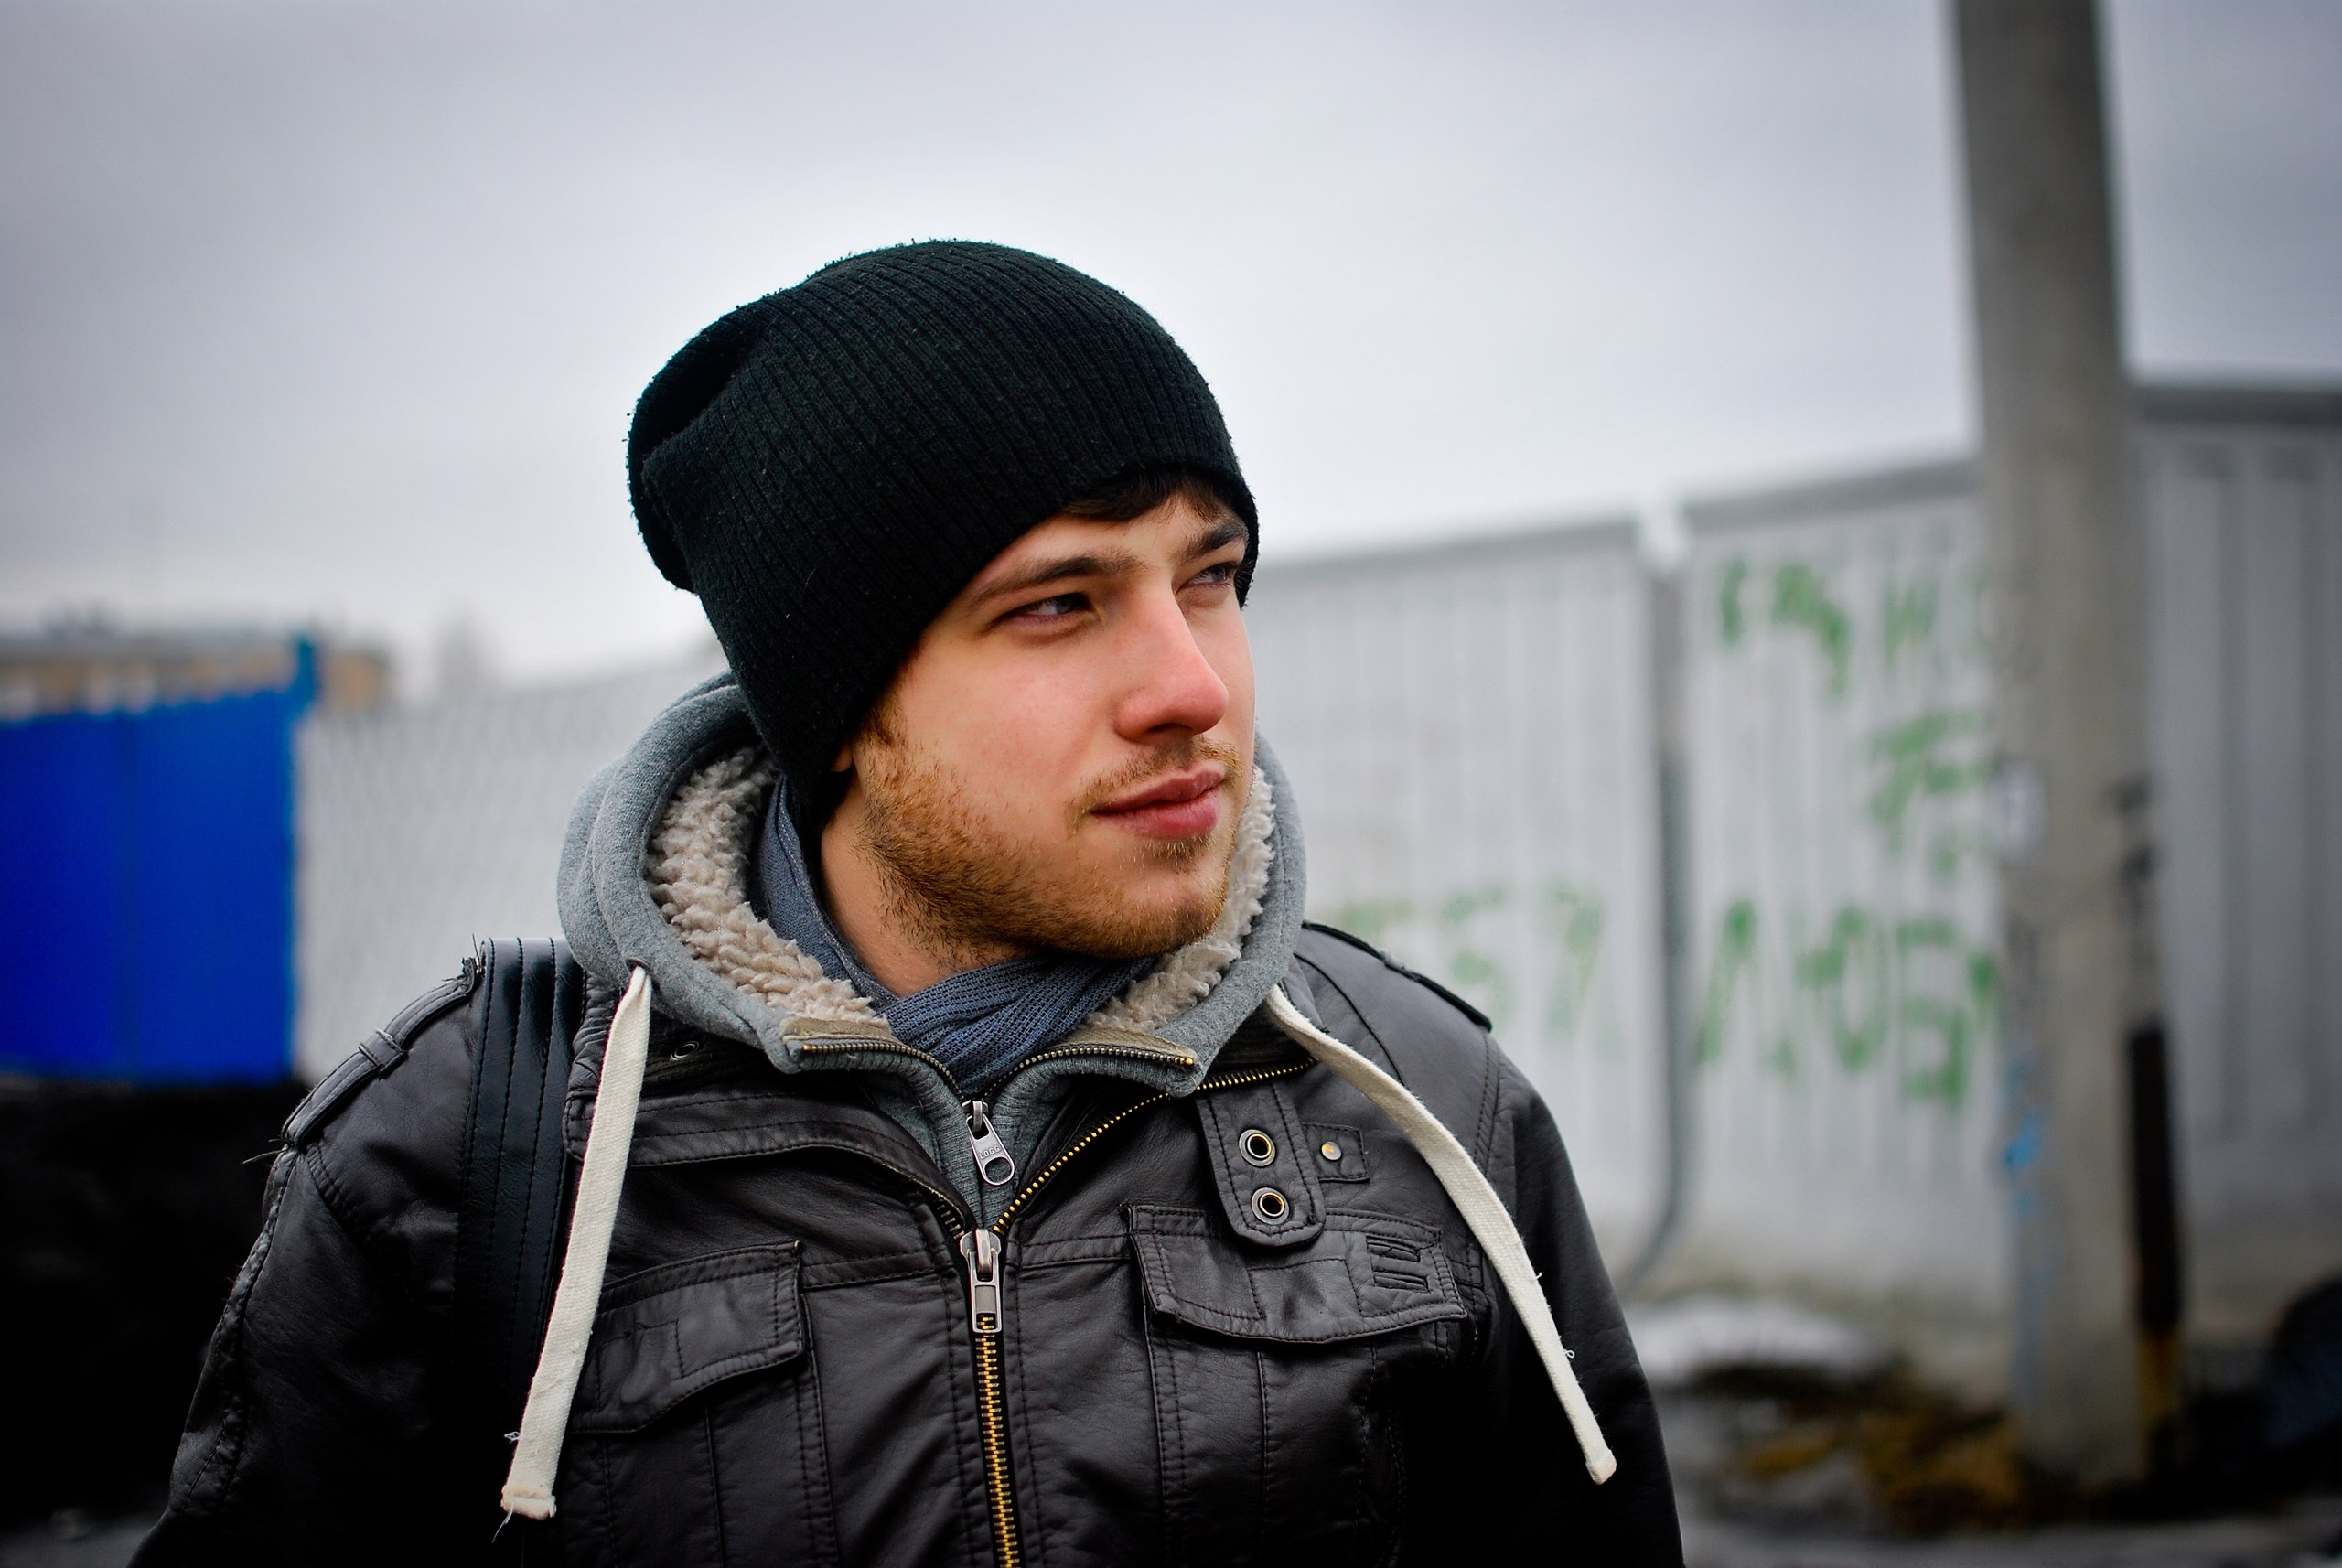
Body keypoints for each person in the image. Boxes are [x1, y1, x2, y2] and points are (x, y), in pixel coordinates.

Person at [134, 242, 1681, 1565]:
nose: (1193, 684)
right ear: (839, 707)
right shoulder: (462, 1162)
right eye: (1061, 602)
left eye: (1209, 576)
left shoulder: (1424, 1111)